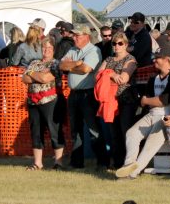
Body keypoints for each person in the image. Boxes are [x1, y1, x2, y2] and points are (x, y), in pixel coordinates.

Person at [115, 54, 170, 179]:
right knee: (131, 134)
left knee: (151, 142)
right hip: (152, 114)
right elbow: (144, 100)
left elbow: (163, 101)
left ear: (167, 60)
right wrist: (149, 101)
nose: (154, 60)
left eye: (158, 58)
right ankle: (128, 166)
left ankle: (132, 173)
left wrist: (149, 101)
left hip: (166, 116)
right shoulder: (153, 78)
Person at [60, 24, 105, 169]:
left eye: (77, 35)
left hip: (88, 94)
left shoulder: (94, 50)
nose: (74, 38)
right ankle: (77, 162)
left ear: (86, 36)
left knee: (93, 129)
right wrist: (77, 63)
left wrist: (72, 65)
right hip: (74, 94)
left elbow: (86, 69)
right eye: (73, 35)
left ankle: (102, 161)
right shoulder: (73, 50)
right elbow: (61, 65)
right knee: (75, 130)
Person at [22, 37, 65, 170]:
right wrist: (37, 75)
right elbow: (24, 78)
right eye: (44, 48)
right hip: (33, 101)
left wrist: (32, 74)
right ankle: (37, 163)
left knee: (54, 131)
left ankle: (58, 162)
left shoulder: (56, 64)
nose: (46, 50)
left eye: (49, 48)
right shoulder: (34, 62)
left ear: (54, 50)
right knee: (36, 131)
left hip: (50, 100)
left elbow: (46, 78)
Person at [96, 32, 138, 168]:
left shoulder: (130, 59)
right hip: (110, 100)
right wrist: (112, 74)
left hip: (126, 100)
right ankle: (118, 162)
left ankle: (129, 162)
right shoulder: (108, 59)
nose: (116, 46)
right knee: (113, 133)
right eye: (114, 43)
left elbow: (124, 79)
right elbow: (97, 76)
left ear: (125, 45)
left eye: (120, 43)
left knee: (126, 131)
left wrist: (106, 74)